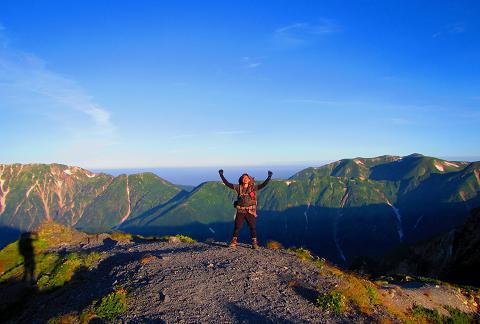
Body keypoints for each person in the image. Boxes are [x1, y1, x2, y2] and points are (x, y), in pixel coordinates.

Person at [219, 169, 272, 249]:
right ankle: (234, 242)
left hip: (250, 211)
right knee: (237, 226)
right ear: (241, 179)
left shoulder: (253, 187)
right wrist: (221, 175)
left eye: (246, 178)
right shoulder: (238, 187)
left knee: (252, 227)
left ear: (249, 180)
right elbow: (227, 184)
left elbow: (263, 185)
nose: (245, 179)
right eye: (243, 178)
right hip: (241, 210)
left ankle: (254, 243)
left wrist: (269, 177)